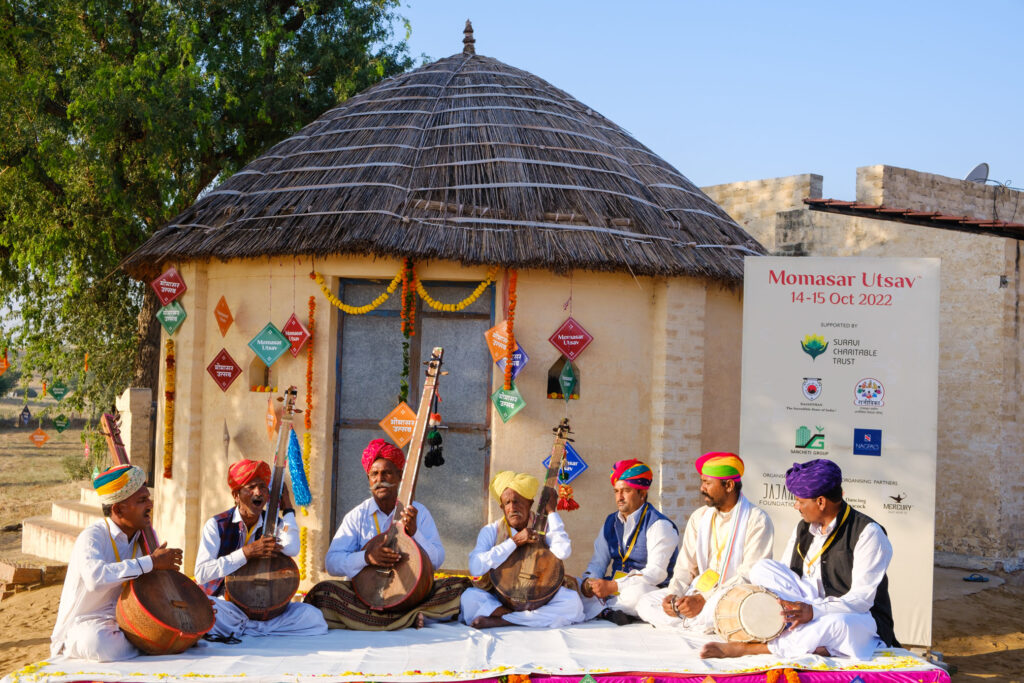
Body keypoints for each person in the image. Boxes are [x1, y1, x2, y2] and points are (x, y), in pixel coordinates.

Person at [701, 458, 898, 660]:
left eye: (801, 501)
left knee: (837, 624)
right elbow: (786, 574)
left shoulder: (868, 533)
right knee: (761, 568)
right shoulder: (803, 528)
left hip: (856, 616)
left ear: (820, 502)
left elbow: (861, 600)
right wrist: (789, 606)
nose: (796, 506)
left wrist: (814, 611)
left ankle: (750, 649)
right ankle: (811, 640)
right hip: (806, 604)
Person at [304, 439, 468, 630]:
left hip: (413, 595)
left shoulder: (417, 512)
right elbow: (332, 563)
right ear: (368, 479)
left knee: (459, 587)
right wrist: (366, 557)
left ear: (399, 477)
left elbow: (437, 560)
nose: (379, 479)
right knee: (323, 593)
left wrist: (414, 534)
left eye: (387, 473)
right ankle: (409, 618)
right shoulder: (357, 516)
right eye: (374, 474)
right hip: (366, 598)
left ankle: (390, 619)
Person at [51, 464, 184, 661]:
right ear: (118, 509)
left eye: (148, 497)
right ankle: (146, 647)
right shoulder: (93, 536)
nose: (150, 504)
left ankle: (146, 645)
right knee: (98, 643)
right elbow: (95, 579)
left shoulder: (145, 536)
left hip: (128, 619)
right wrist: (151, 562)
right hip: (86, 622)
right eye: (142, 500)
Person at [636, 452, 774, 631]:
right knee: (645, 602)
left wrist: (704, 599)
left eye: (707, 483)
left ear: (729, 485)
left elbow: (749, 575)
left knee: (718, 608)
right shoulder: (699, 517)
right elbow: (686, 566)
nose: (702, 488)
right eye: (702, 482)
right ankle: (695, 623)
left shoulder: (757, 520)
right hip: (697, 590)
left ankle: (692, 622)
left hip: (730, 595)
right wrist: (674, 595)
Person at [194, 459, 327, 637]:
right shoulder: (217, 525)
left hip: (267, 609)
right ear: (236, 495)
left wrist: (287, 507)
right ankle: (258, 629)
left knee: (313, 617)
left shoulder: (273, 523)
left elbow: (292, 548)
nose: (258, 492)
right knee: (205, 609)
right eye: (251, 487)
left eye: (263, 487)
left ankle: (250, 629)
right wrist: (246, 553)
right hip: (228, 606)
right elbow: (202, 573)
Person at [460, 470, 585, 629]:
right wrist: (513, 542)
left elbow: (563, 551)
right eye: (507, 503)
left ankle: (505, 620)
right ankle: (525, 618)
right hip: (500, 598)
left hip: (540, 597)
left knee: (573, 603)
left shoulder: (543, 526)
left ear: (530, 503)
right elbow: (475, 567)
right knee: (469, 598)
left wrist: (551, 511)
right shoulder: (491, 531)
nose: (512, 508)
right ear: (502, 507)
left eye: (518, 501)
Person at [579, 458, 679, 624]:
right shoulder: (610, 521)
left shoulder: (659, 525)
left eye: (626, 491)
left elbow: (656, 573)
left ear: (642, 493)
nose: (620, 497)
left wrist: (614, 586)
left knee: (637, 594)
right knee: (574, 588)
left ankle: (605, 611)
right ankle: (611, 611)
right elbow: (598, 562)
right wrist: (590, 583)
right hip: (612, 588)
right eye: (616, 491)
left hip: (647, 588)